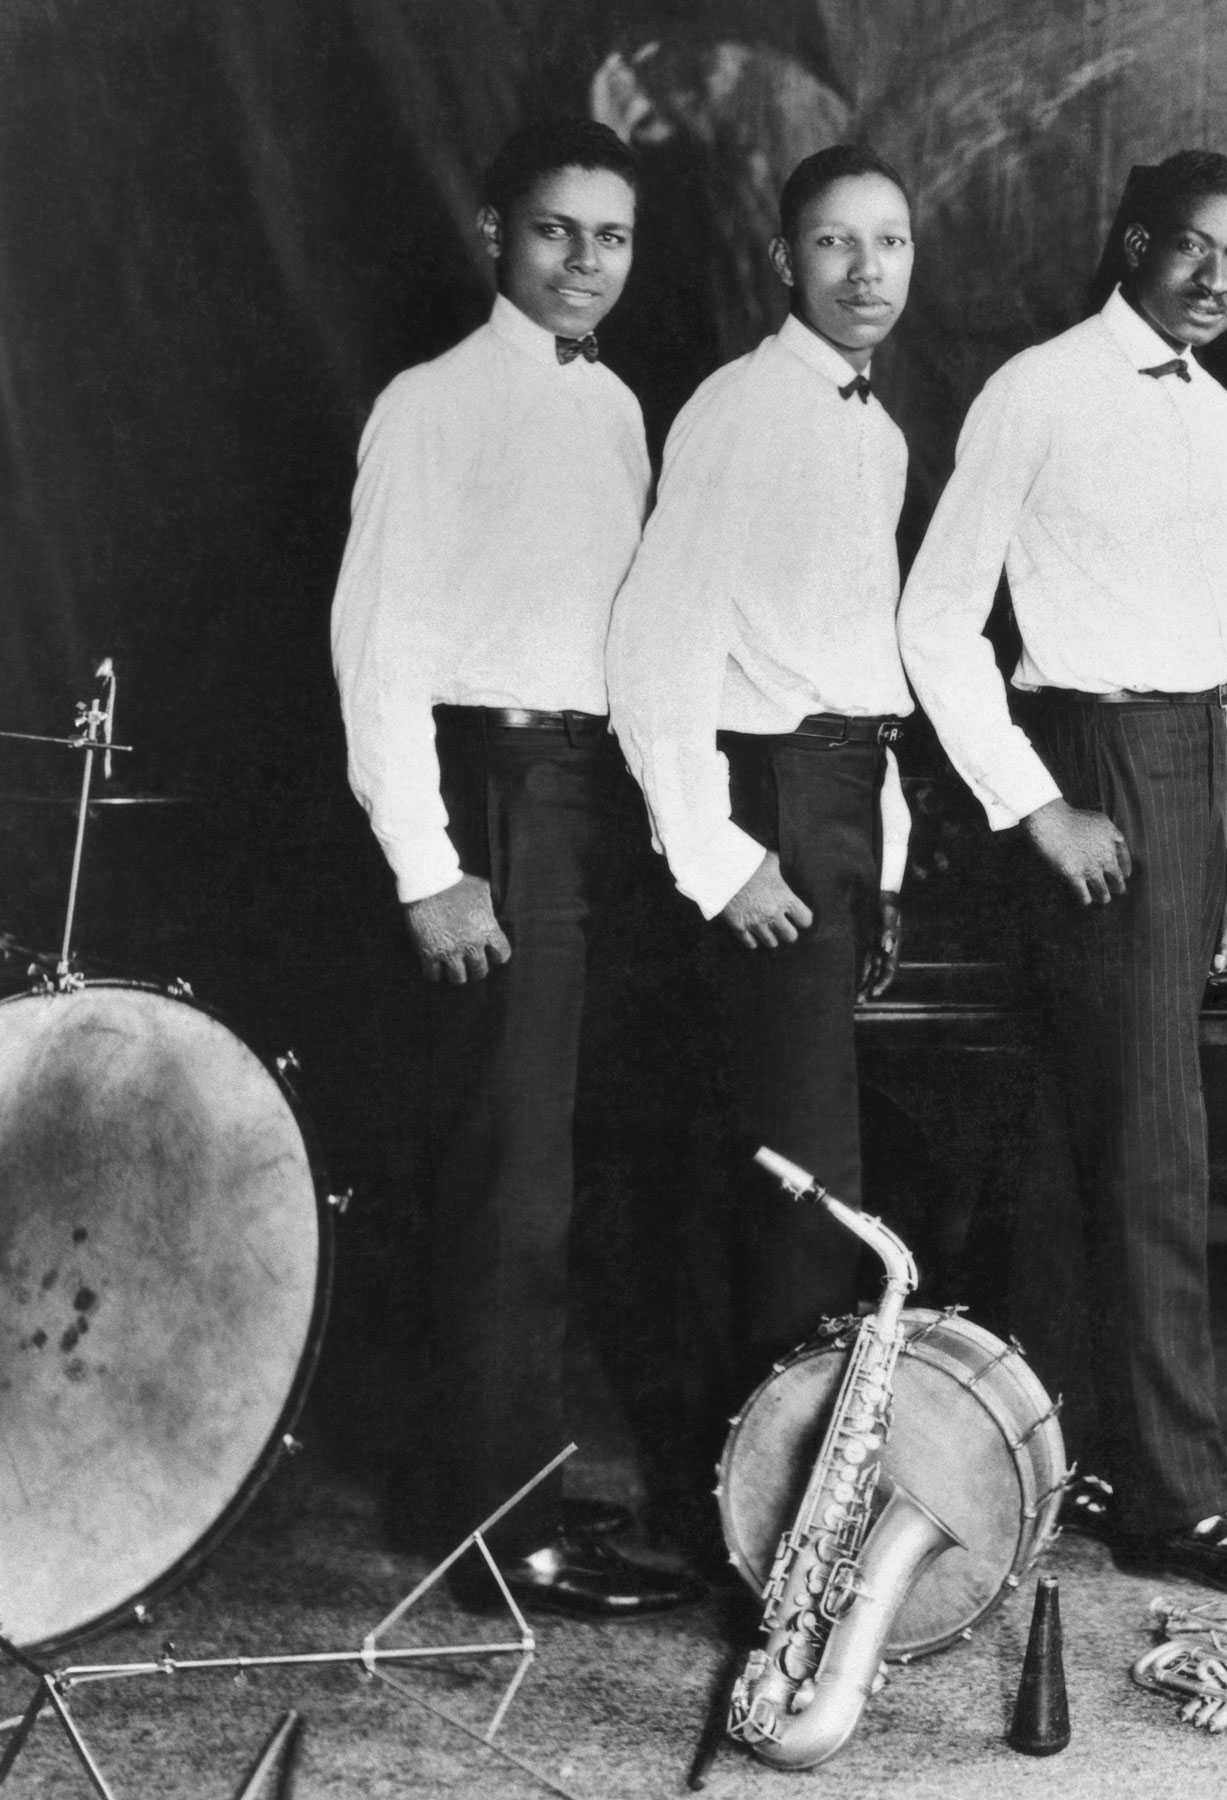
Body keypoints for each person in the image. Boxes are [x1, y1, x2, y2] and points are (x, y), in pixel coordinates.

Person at [897, 150, 1227, 1596]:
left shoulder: (1214, 409)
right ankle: (1179, 1501)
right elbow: (936, 622)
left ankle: (1070, 1454)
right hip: (1089, 769)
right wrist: (1038, 805)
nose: (1218, 283)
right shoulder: (1037, 387)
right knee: (1154, 1149)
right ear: (1133, 240)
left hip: (1189, 778)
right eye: (1195, 252)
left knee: (1082, 1137)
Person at [329, 119, 703, 1617]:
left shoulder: (614, 407)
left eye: (610, 237)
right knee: (510, 1179)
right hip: (493, 794)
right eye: (556, 231)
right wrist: (432, 867)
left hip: (587, 792)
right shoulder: (432, 403)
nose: (584, 261)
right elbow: (379, 654)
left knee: (552, 1166)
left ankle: (480, 1476)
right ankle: (499, 1532)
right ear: (495, 233)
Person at [605, 146, 916, 1422]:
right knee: (797, 1178)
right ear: (787, 260)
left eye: (890, 242)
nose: (866, 270)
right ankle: (766, 1517)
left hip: (841, 804)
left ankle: (784, 1493)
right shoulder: (736, 408)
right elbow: (652, 645)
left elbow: (861, 663)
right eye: (836, 244)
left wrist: (884, 865)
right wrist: (719, 852)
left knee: (812, 1169)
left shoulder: (882, 431)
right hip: (766, 809)